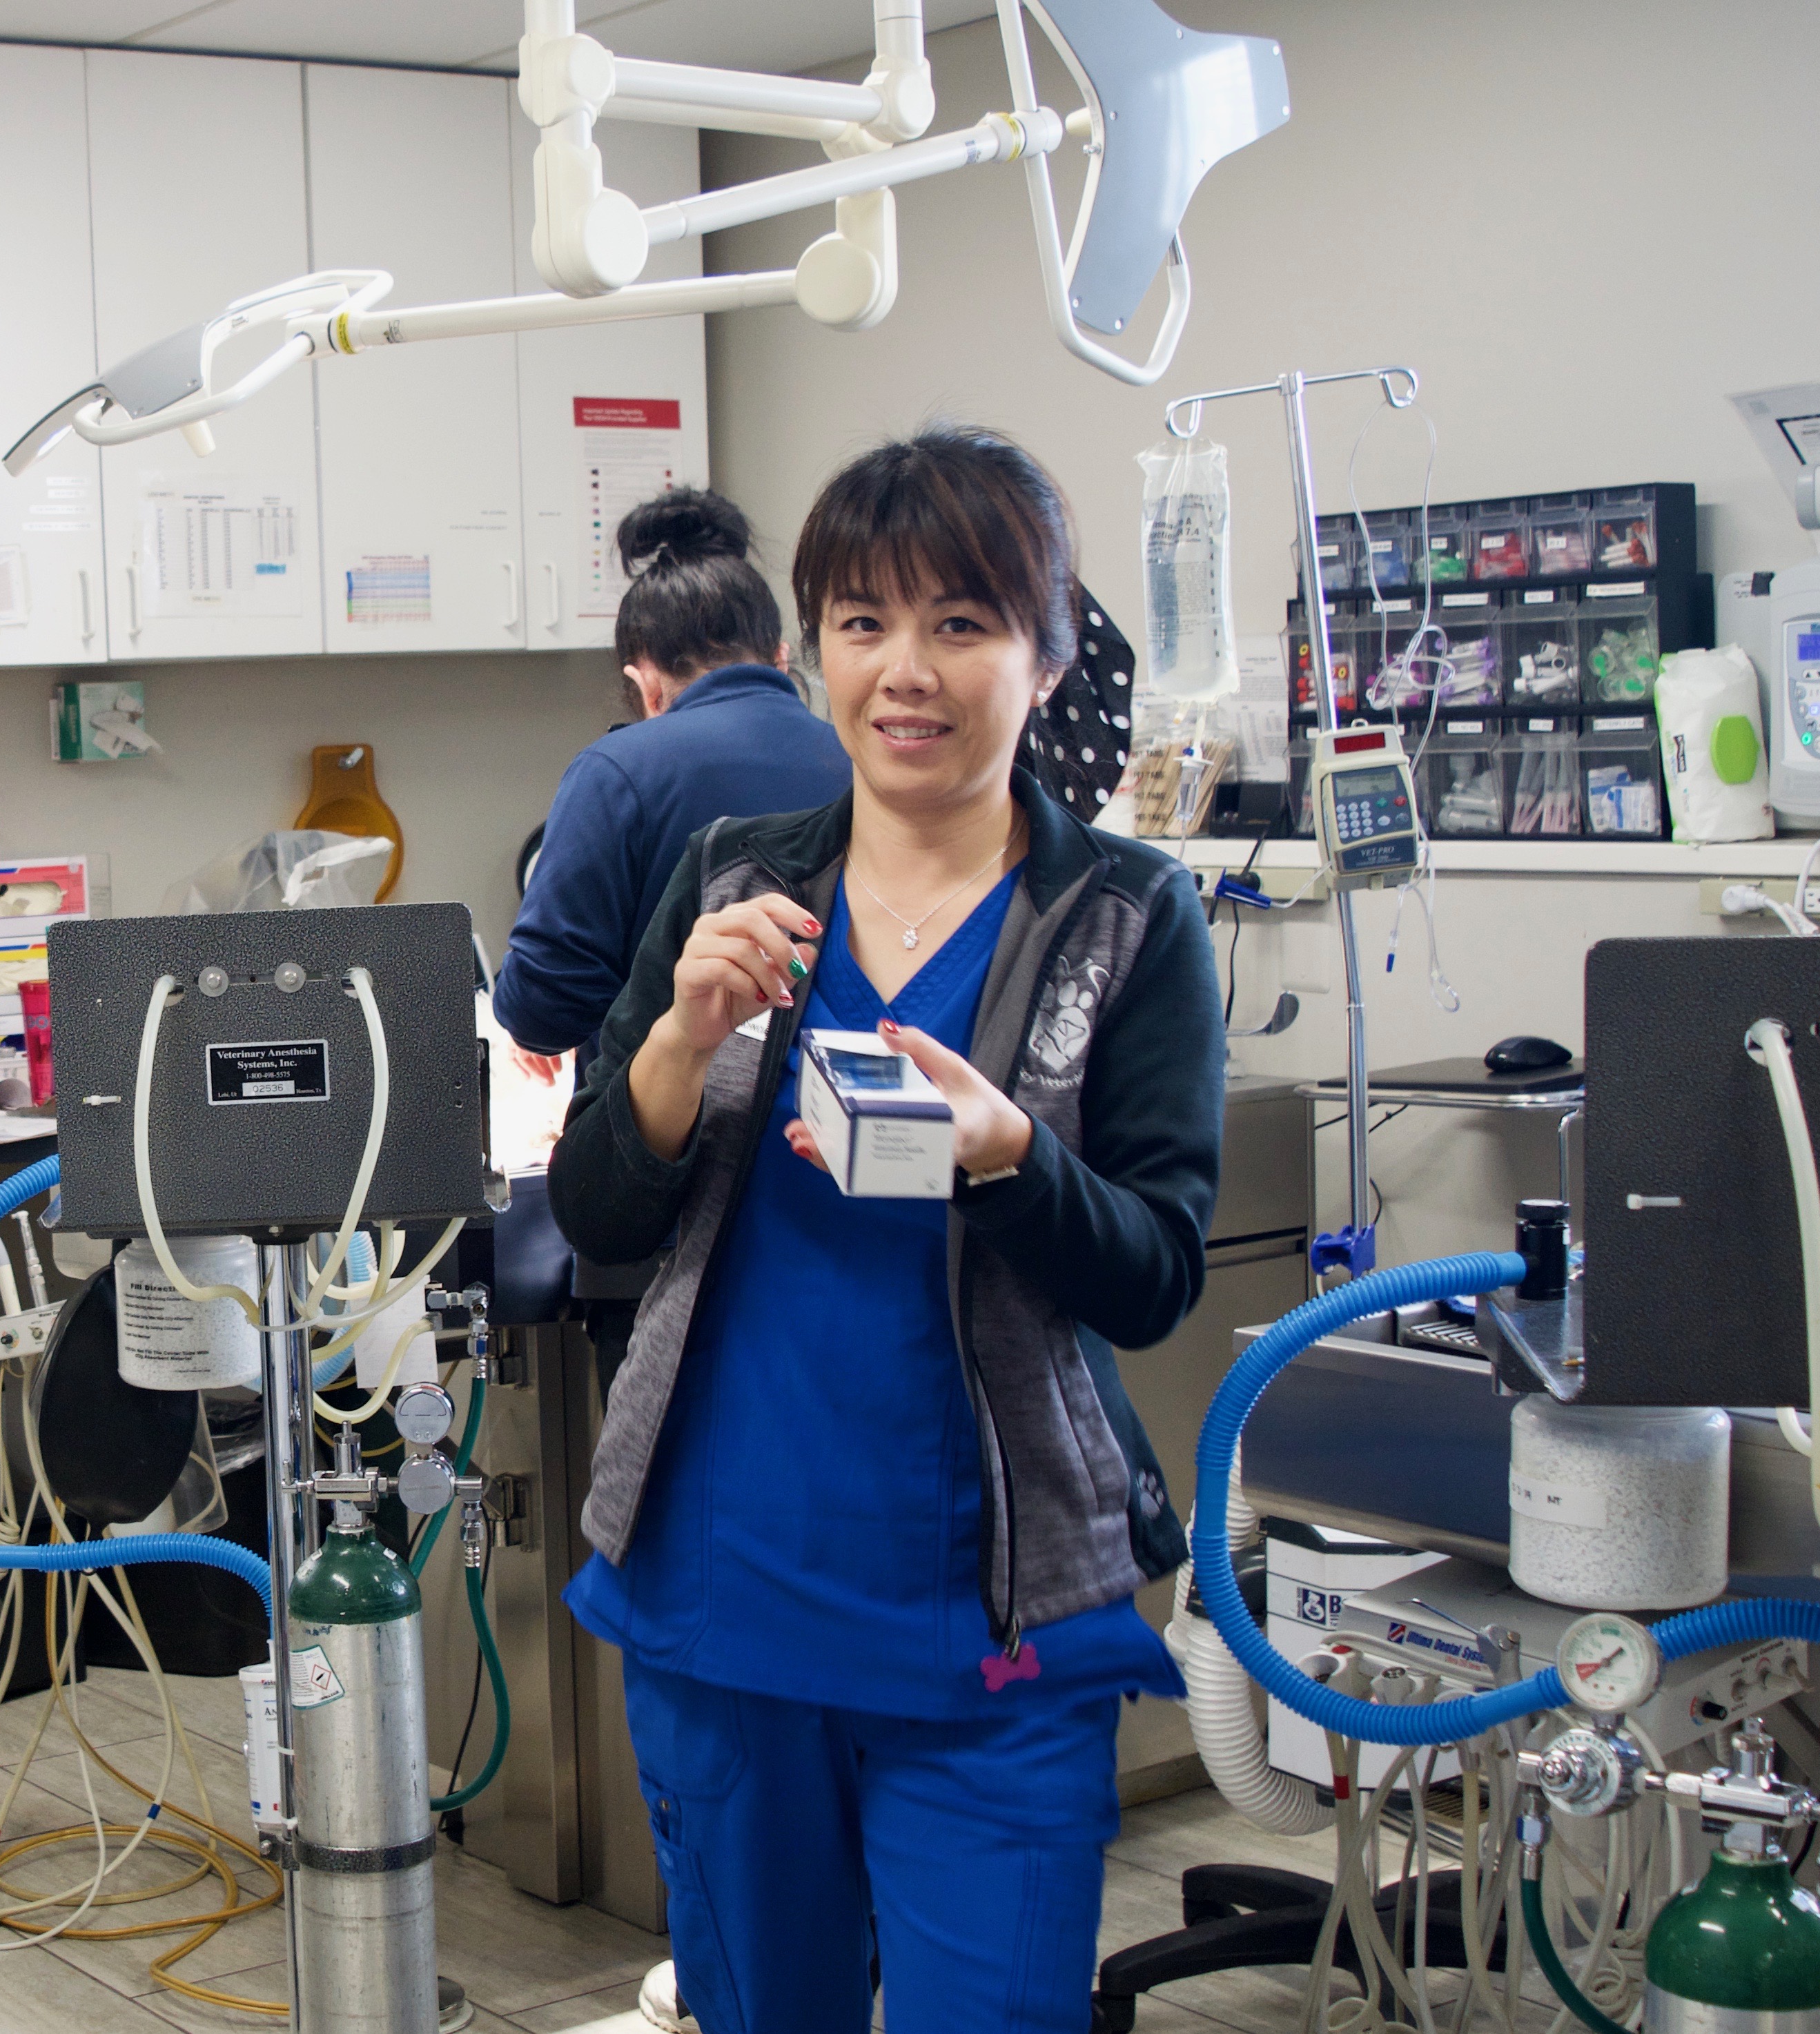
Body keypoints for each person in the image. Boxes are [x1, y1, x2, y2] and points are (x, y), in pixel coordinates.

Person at [550, 427, 1226, 2033]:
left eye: (962, 623)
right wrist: (669, 1048)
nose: (905, 672)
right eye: (863, 623)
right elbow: (598, 1209)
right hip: (725, 1600)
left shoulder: (1123, 920)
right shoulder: (736, 882)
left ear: (1051, 650)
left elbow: (1155, 1276)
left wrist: (1009, 1156)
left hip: (985, 1632)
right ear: (809, 653)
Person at [491, 486, 850, 1394]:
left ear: (644, 678)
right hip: (846, 1181)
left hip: (664, 1204)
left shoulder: (621, 770)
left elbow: (537, 1006)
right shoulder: (863, 760)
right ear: (782, 657)